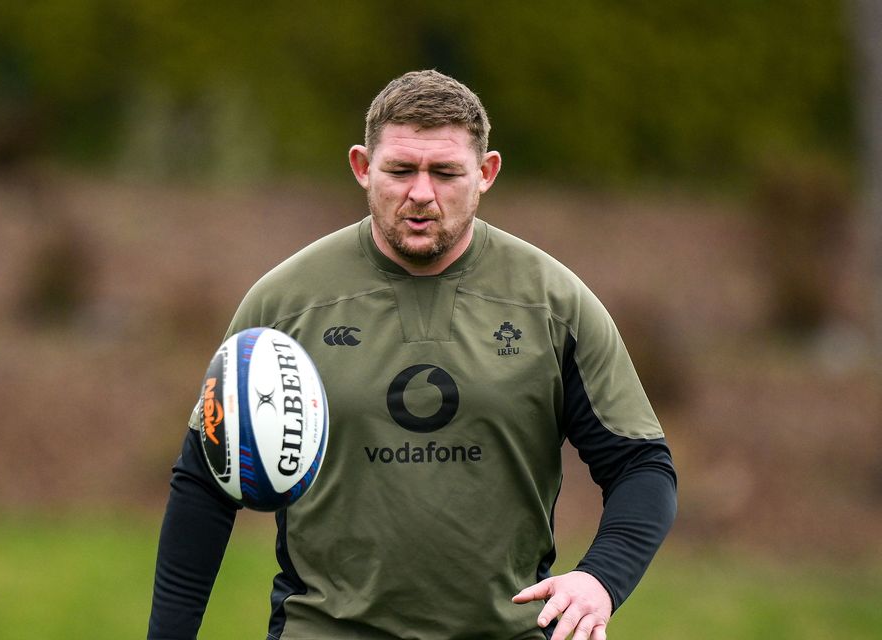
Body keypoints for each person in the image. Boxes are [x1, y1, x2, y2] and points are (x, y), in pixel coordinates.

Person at [148, 69, 677, 640]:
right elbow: (205, 483)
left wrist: (602, 579)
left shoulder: (553, 304)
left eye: (446, 172)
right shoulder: (284, 306)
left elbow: (641, 466)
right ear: (362, 167)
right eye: (400, 170)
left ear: (486, 173)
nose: (420, 193)